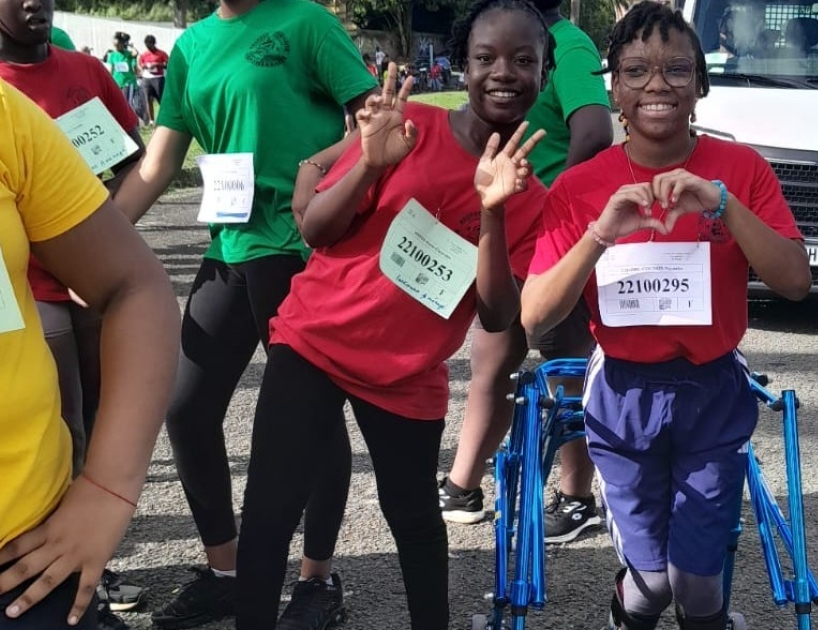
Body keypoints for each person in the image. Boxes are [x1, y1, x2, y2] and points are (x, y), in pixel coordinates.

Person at [235, 0, 552, 626]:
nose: (504, 73)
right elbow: (319, 232)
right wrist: (369, 166)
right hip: (316, 343)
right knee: (271, 511)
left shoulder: (527, 194)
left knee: (414, 520)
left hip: (407, 374)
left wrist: (492, 209)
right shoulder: (411, 130)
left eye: (524, 60)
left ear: (544, 73)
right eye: (485, 57)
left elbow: (495, 316)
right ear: (461, 65)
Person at [520, 3, 810, 628]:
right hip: (624, 393)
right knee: (651, 584)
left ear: (701, 86)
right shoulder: (580, 188)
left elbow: (794, 280)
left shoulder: (742, 170)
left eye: (677, 70)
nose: (657, 85)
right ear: (614, 88)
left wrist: (725, 206)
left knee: (699, 587)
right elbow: (536, 316)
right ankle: (627, 611)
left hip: (712, 391)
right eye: (636, 71)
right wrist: (599, 234)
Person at [110, 0, 379, 627]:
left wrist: (316, 170)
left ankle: (318, 581)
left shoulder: (305, 22)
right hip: (230, 242)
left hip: (297, 244)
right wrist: (95, 243)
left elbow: (371, 123)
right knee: (185, 407)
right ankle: (226, 571)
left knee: (309, 416)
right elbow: (160, 161)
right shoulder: (192, 46)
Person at [0, 79, 179, 630]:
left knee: (80, 409)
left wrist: (107, 489)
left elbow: (143, 157)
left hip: (18, 555)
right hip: (49, 298)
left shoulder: (12, 112)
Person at [437, 0, 614, 545]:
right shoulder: (502, 36)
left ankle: (577, 493)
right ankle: (463, 484)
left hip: (546, 227)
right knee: (493, 353)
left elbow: (594, 130)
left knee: (563, 361)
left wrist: (551, 204)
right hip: (502, 217)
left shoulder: (569, 43)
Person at [104, 33, 141, 124]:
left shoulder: (128, 54)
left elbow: (136, 53)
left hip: (128, 82)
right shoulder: (112, 55)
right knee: (118, 104)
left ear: (122, 44)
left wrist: (131, 46)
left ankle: (133, 122)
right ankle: (124, 122)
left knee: (127, 103)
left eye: (118, 45)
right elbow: (111, 69)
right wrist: (109, 81)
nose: (116, 47)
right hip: (117, 82)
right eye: (115, 46)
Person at [139, 35, 168, 125]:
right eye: (147, 46)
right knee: (148, 99)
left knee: (161, 99)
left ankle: (165, 118)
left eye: (150, 45)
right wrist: (143, 66)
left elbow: (167, 64)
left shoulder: (162, 53)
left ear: (154, 44)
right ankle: (151, 120)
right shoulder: (144, 54)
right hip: (147, 78)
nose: (148, 48)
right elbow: (140, 64)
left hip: (158, 78)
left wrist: (157, 64)